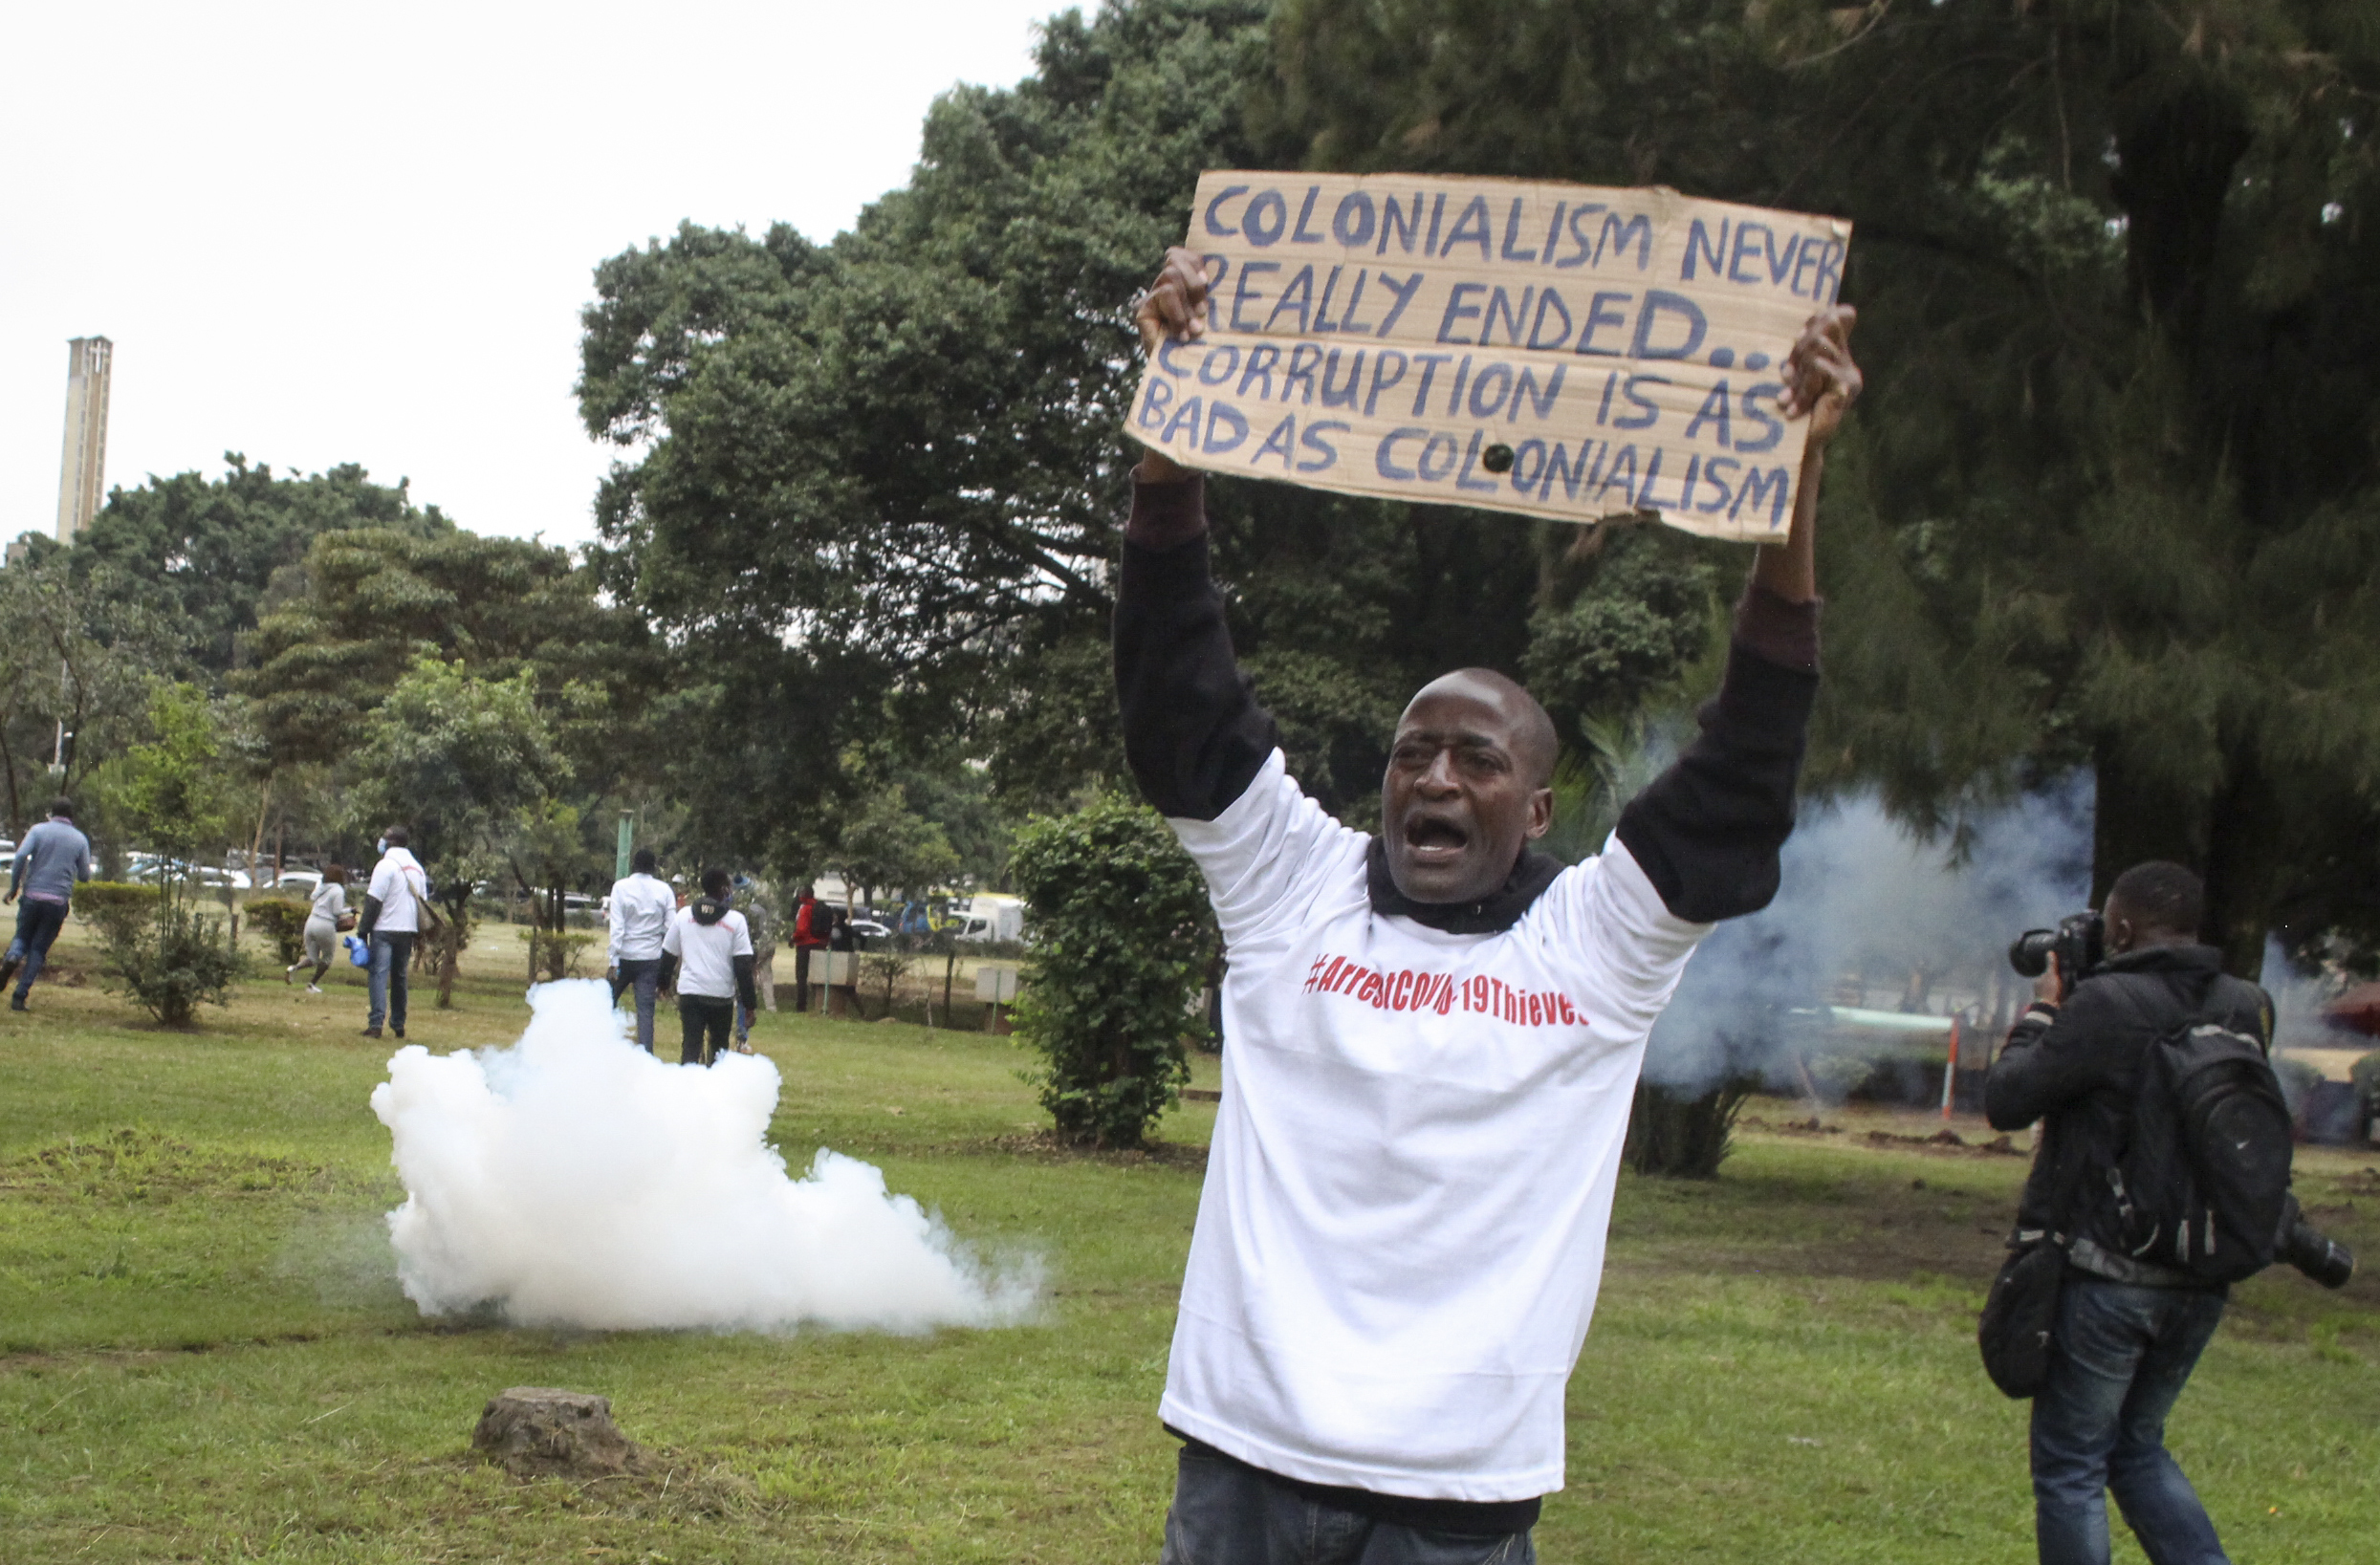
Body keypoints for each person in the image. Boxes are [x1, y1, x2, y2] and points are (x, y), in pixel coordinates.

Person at [1121, 248, 1860, 1564]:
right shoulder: (1296, 889)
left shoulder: (1593, 944)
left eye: (1477, 759)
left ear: (1536, 805)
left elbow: (1744, 769)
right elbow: (1182, 696)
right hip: (1241, 1465)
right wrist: (1171, 434)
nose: (1436, 778)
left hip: (1455, 1504)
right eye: (1414, 751)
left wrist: (1793, 482)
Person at [1985, 861, 2263, 1565]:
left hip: (2108, 1275)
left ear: (2123, 928)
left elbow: (2009, 1098)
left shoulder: (2105, 1003)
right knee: (2135, 1447)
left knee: (2070, 1464)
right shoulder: (2243, 1002)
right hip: (2201, 1272)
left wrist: (2046, 1008)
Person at [0, 798, 93, 1011]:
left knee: (21, 937)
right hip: (57, 901)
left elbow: (21, 855)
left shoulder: (38, 830)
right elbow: (85, 876)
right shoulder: (80, 839)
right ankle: (19, 997)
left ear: (51, 813)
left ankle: (12, 957)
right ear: (72, 817)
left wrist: (14, 888)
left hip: (32, 896)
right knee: (38, 950)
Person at [661, 868, 757, 1066]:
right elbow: (743, 967)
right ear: (724, 889)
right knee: (719, 1049)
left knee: (690, 1045)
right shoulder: (735, 921)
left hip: (690, 992)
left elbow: (668, 954)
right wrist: (750, 1005)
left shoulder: (684, 916)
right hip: (720, 995)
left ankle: (686, 1088)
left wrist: (662, 984)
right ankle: (714, 1091)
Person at [355, 827, 428, 1040]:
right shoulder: (417, 868)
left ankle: (376, 1023)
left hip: (384, 929)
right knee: (400, 977)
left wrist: (363, 932)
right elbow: (422, 901)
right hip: (407, 930)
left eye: (384, 838)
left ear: (390, 842)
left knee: (378, 974)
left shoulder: (385, 865)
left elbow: (373, 901)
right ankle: (398, 1023)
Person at [606, 847, 676, 1053]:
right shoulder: (664, 890)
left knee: (605, 1004)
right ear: (653, 867)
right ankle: (646, 1057)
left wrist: (613, 959)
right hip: (650, 957)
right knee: (645, 1011)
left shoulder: (620, 887)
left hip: (624, 956)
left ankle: (599, 1047)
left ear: (634, 865)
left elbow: (617, 926)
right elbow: (671, 925)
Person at [287, 864, 350, 991]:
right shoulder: (338, 890)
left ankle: (293, 968)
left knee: (312, 958)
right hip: (325, 925)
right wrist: (350, 910)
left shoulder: (320, 887)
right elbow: (337, 911)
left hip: (311, 922)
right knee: (327, 958)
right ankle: (312, 984)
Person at [790, 883, 827, 1011]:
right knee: (819, 976)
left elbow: (802, 929)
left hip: (805, 946)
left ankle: (801, 1006)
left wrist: (793, 938)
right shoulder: (819, 906)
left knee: (801, 976)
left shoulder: (805, 908)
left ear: (802, 895)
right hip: (820, 945)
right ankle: (820, 1003)